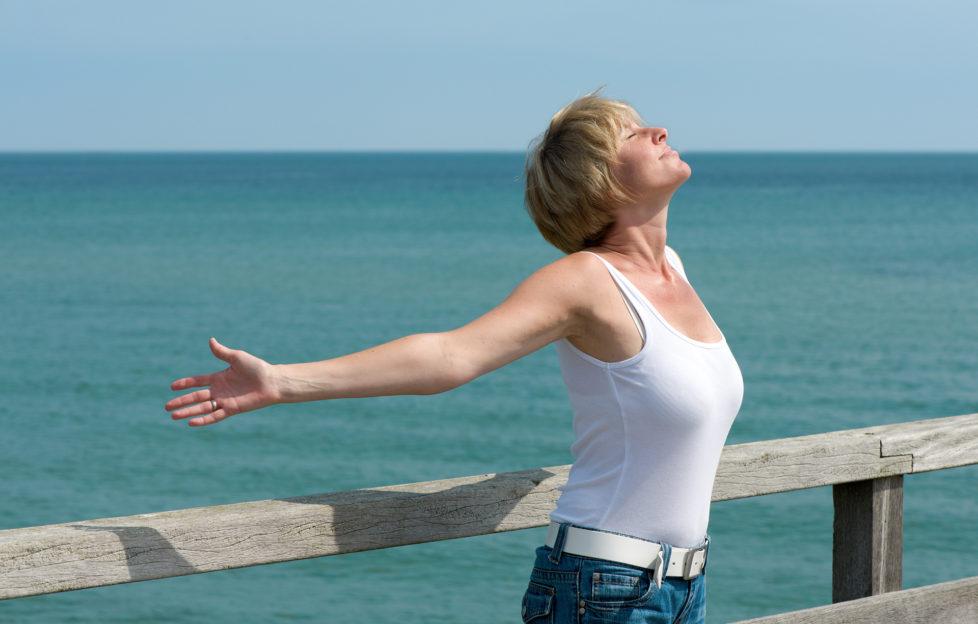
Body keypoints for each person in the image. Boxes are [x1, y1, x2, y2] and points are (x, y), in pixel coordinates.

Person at [166, 91, 743, 624]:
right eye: (632, 133)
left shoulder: (677, 272)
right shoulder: (585, 281)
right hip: (606, 589)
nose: (658, 131)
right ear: (598, 179)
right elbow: (451, 354)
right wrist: (283, 381)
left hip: (685, 585)